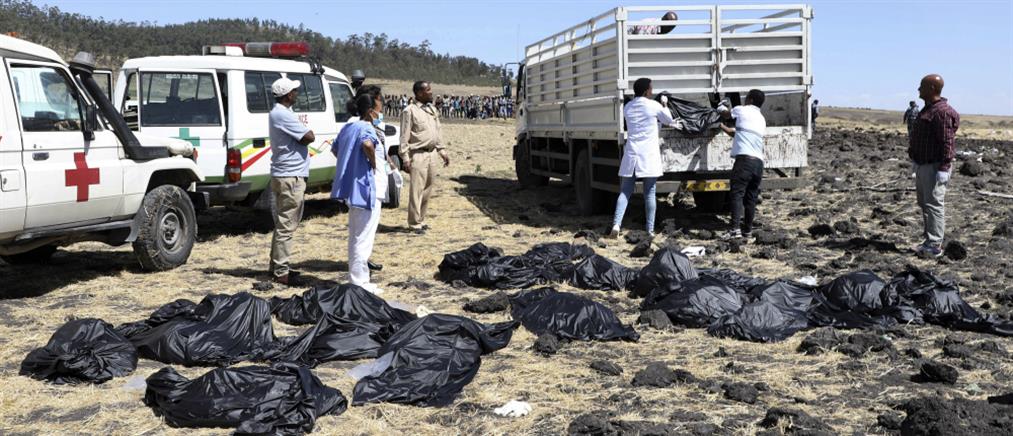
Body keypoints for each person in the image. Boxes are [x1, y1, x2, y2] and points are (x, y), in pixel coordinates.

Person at [332, 93, 387, 294]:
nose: (380, 113)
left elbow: (336, 149)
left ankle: (358, 279)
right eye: (379, 109)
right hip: (367, 188)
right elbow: (367, 144)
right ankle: (360, 282)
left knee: (356, 235)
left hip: (355, 188)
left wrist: (351, 164)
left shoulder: (348, 127)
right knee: (364, 237)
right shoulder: (366, 128)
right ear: (370, 111)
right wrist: (371, 162)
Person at [609, 78, 677, 238]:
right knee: (650, 193)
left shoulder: (628, 107)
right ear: (647, 91)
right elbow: (669, 120)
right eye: (651, 88)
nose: (652, 91)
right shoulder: (653, 105)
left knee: (625, 191)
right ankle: (649, 230)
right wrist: (665, 104)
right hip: (648, 155)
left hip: (632, 154)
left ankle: (616, 224)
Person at [267, 77, 316, 285]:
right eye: (294, 91)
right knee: (287, 225)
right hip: (291, 176)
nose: (297, 93)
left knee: (282, 223)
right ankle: (281, 272)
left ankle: (276, 266)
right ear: (288, 95)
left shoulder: (279, 113)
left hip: (284, 174)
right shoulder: (283, 114)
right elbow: (309, 137)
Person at [909, 74, 959, 257]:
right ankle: (928, 240)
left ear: (931, 88)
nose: (918, 89)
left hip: (934, 166)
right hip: (923, 164)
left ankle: (934, 245)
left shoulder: (941, 112)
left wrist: (944, 167)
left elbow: (947, 142)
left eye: (921, 86)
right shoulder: (929, 109)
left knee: (933, 205)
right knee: (925, 203)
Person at [399, 81, 449, 233]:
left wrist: (442, 151)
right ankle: (414, 223)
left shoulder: (432, 110)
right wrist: (405, 158)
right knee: (417, 190)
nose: (431, 92)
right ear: (419, 93)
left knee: (427, 189)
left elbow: (437, 131)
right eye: (428, 90)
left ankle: (421, 219)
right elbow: (404, 137)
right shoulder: (409, 111)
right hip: (418, 154)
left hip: (432, 154)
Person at [719, 89, 767, 240]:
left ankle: (734, 230)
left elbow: (726, 114)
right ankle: (747, 231)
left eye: (746, 97)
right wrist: (722, 127)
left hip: (744, 161)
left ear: (750, 100)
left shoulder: (742, 110)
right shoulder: (761, 119)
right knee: (751, 198)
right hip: (758, 163)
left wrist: (720, 107)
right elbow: (738, 133)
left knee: (736, 194)